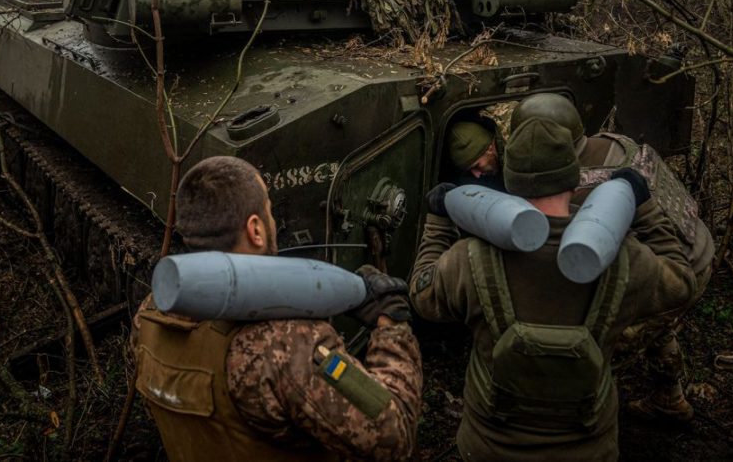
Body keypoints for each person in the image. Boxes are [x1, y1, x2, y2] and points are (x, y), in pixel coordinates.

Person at [410, 119, 696, 461]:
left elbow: (422, 296)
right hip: (588, 449)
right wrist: (644, 208)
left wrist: (439, 221)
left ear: (509, 182)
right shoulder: (624, 259)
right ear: (575, 180)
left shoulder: (470, 258)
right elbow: (681, 282)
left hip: (490, 447)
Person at [131, 155, 423, 462]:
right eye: (268, 210)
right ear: (255, 229)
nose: (273, 221)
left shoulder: (149, 315)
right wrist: (392, 326)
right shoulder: (287, 347)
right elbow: (394, 437)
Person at [511, 93, 715, 421]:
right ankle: (669, 397)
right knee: (658, 325)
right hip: (698, 246)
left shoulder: (580, 186)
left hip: (678, 269)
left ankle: (578, 416)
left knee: (603, 338)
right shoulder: (618, 143)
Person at [445, 118, 504, 190]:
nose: (477, 175)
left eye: (476, 166)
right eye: (470, 170)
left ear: (489, 149)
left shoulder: (515, 154)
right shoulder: (493, 164)